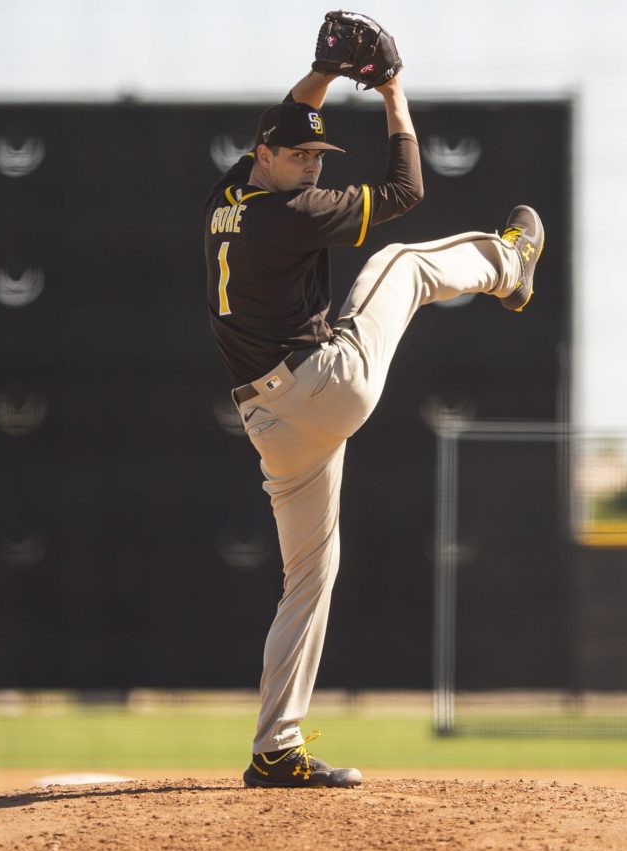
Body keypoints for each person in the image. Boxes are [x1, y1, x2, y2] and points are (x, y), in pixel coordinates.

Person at [204, 61, 544, 788]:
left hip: (270, 420)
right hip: (326, 387)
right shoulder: (291, 213)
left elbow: (290, 113)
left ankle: (275, 746)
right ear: (264, 153)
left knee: (309, 573)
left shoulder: (227, 199)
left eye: (316, 157)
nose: (308, 167)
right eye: (298, 156)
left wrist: (322, 73)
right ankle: (509, 265)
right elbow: (406, 192)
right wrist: (392, 94)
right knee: (399, 262)